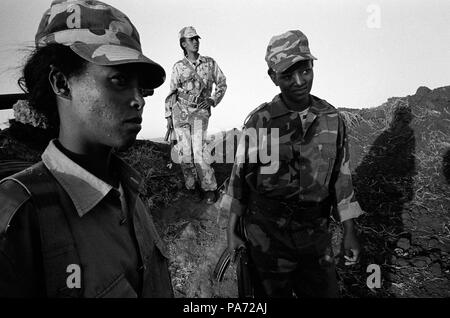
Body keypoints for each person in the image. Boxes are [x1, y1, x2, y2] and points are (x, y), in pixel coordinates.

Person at [0, 0, 173, 298]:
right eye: (118, 80)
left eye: (141, 86)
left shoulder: (127, 190)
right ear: (61, 83)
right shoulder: (18, 214)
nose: (139, 100)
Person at [221, 30, 364, 297]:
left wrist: (349, 232)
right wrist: (231, 232)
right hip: (267, 237)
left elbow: (342, 180)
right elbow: (238, 181)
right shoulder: (259, 122)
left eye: (305, 71)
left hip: (316, 236)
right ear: (273, 77)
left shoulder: (331, 119)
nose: (299, 82)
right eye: (287, 75)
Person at [165, 26, 227, 204]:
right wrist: (168, 116)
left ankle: (208, 187)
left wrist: (213, 100)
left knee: (199, 152)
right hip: (180, 112)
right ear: (183, 44)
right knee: (185, 152)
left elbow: (222, 83)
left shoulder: (209, 63)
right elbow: (171, 93)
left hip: (200, 112)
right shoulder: (178, 67)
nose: (195, 42)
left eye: (197, 39)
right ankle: (191, 186)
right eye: (191, 39)